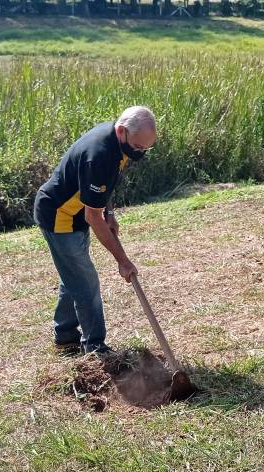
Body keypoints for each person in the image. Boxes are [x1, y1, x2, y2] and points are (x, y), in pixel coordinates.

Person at [33, 106, 157, 356]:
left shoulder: (117, 142)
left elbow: (105, 184)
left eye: (146, 149)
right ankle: (95, 346)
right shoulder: (99, 155)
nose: (140, 153)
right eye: (138, 147)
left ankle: (65, 335)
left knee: (74, 276)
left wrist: (109, 212)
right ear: (122, 131)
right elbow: (93, 217)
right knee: (85, 281)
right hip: (59, 216)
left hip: (78, 213)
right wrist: (123, 261)